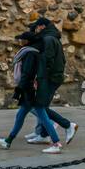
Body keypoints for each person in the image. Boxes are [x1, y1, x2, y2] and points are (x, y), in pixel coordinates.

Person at [0, 32, 62, 152]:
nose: (20, 41)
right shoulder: (31, 52)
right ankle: (8, 141)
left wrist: (19, 89)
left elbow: (27, 74)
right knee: (20, 116)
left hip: (31, 91)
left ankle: (56, 144)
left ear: (27, 41)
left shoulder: (30, 54)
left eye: (22, 39)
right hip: (30, 90)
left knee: (43, 117)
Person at [27, 16, 78, 146]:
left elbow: (47, 61)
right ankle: (44, 135)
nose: (36, 30)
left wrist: (39, 78)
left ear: (42, 27)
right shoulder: (52, 38)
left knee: (39, 107)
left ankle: (67, 125)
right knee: (42, 107)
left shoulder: (48, 39)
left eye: (37, 27)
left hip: (49, 78)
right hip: (53, 77)